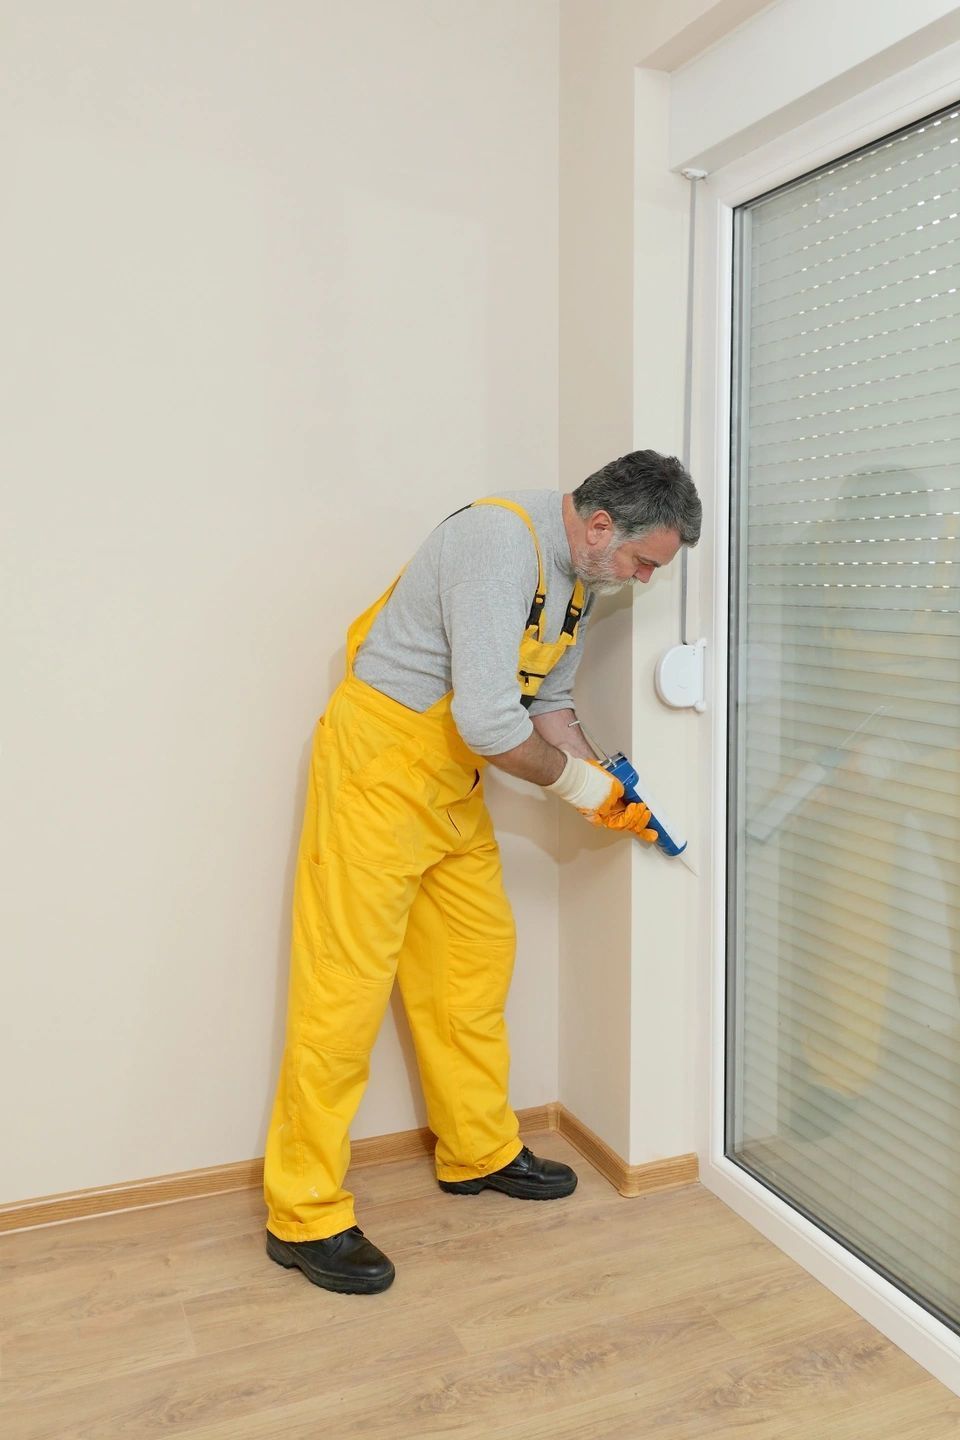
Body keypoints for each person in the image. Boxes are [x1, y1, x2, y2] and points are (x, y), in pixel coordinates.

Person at [263, 449, 702, 1294]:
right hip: (377, 773)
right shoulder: (500, 544)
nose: (644, 580)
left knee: (473, 961)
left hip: (448, 783)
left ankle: (476, 1150)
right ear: (600, 525)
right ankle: (303, 1213)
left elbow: (549, 707)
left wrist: (607, 785)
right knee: (343, 994)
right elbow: (491, 724)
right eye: (644, 562)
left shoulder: (580, 580)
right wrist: (577, 786)